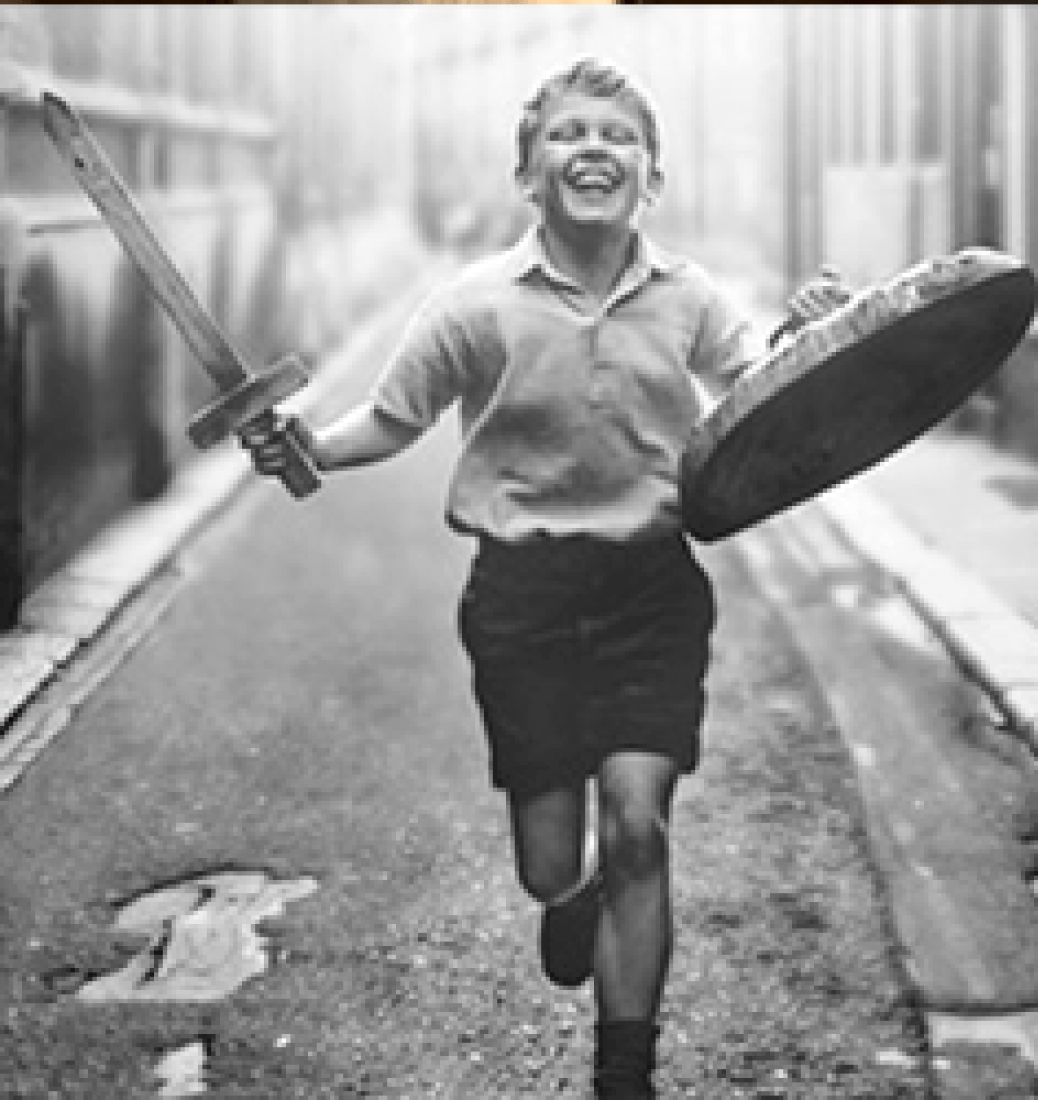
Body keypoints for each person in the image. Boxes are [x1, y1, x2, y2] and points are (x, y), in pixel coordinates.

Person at [242, 57, 848, 1100]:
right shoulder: (474, 304)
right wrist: (308, 446)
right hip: (520, 600)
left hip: (651, 587)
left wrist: (813, 336)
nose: (592, 149)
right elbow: (392, 415)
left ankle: (624, 1071)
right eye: (566, 134)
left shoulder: (690, 297)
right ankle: (568, 896)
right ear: (528, 173)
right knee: (546, 859)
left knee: (638, 820)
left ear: (649, 176)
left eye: (616, 136)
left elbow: (758, 390)